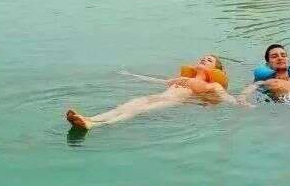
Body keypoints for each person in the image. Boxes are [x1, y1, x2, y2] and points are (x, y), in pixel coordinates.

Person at [65, 54, 236, 131]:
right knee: (124, 106)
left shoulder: (212, 84)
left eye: (209, 60)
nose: (204, 60)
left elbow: (225, 97)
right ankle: (90, 118)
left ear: (216, 68)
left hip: (170, 101)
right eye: (203, 58)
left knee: (135, 111)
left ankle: (95, 126)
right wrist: (131, 75)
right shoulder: (181, 78)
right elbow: (158, 81)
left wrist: (241, 103)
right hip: (157, 96)